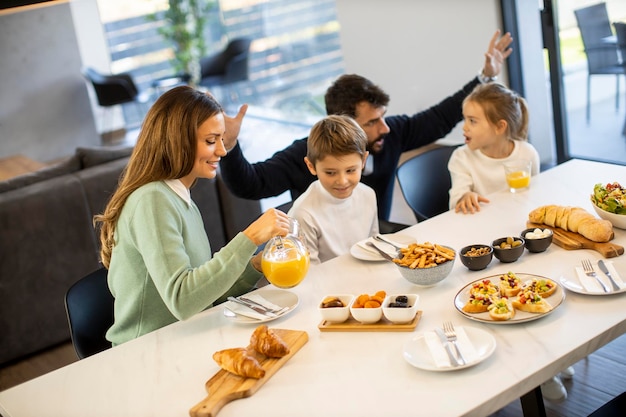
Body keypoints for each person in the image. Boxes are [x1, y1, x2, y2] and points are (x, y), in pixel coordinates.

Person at [220, 30, 514, 224]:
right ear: (346, 126)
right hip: (325, 253)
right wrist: (230, 146)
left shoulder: (389, 134)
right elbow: (250, 184)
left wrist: (484, 78)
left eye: (382, 116)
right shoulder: (307, 152)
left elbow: (438, 119)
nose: (384, 128)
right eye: (372, 122)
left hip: (375, 237)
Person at [94, 86, 291, 346]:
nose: (222, 151)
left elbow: (203, 295)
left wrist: (254, 265)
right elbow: (183, 300)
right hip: (147, 352)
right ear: (179, 140)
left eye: (222, 139)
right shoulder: (152, 200)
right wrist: (250, 237)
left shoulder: (180, 198)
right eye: (211, 140)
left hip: (186, 338)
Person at [287, 115, 378, 264]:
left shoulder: (368, 194)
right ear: (311, 166)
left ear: (363, 161)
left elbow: (373, 246)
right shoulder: (303, 214)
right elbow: (310, 272)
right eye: (330, 172)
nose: (342, 181)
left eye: (350, 170)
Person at [448, 82, 540, 213]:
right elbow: (457, 198)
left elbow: (536, 194)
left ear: (499, 127)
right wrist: (465, 197)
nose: (464, 127)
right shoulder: (461, 157)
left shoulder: (527, 153)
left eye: (472, 121)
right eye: (465, 119)